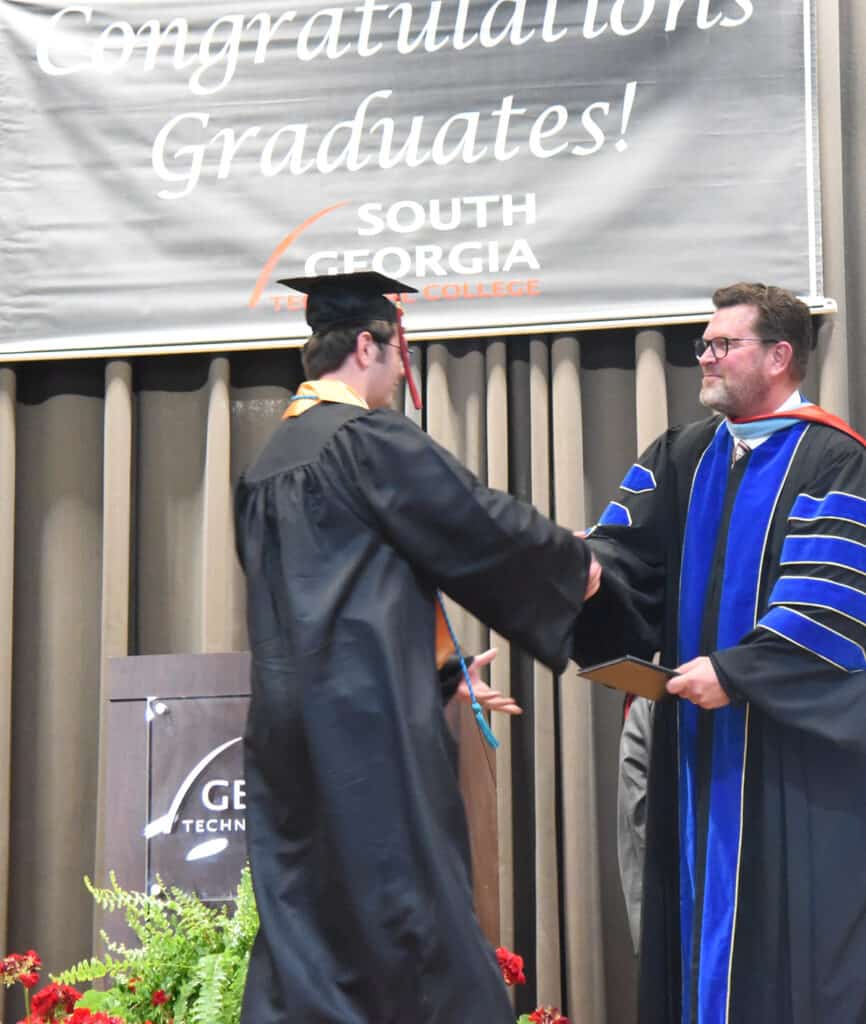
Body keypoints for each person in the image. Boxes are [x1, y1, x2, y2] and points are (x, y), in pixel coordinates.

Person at [234, 271, 600, 1024]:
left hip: (285, 732)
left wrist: (442, 670)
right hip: (368, 731)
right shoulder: (366, 441)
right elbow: (474, 521)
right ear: (367, 344)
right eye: (398, 354)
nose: (403, 372)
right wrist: (575, 566)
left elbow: (340, 590)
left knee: (308, 917)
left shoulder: (265, 463)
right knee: (409, 914)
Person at [574, 283, 866, 1023]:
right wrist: (590, 571)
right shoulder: (681, 454)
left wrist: (738, 672)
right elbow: (629, 555)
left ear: (778, 355)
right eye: (703, 344)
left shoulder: (837, 460)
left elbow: (831, 606)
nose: (703, 356)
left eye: (721, 344)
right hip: (693, 747)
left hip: (786, 758)